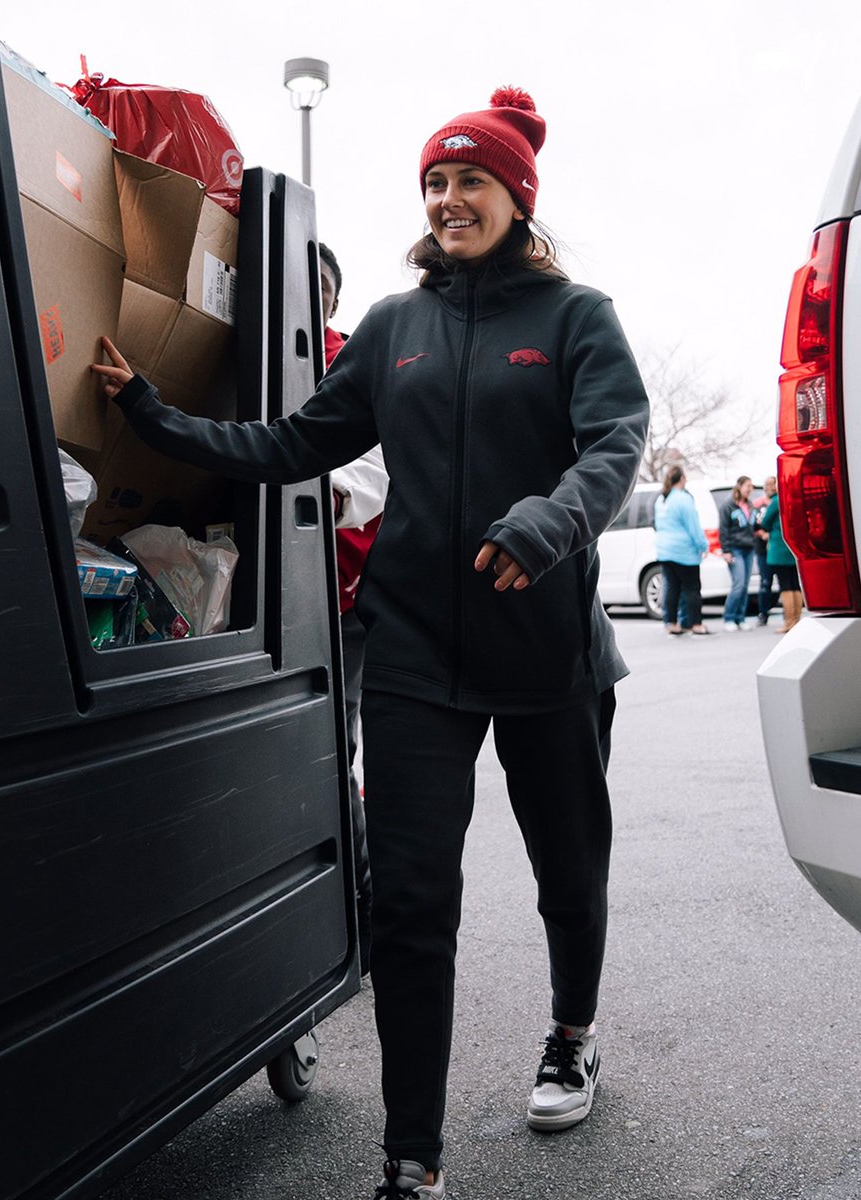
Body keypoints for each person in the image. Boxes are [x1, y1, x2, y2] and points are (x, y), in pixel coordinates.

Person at [92, 86, 650, 1200]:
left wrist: (546, 523)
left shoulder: (576, 317)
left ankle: (571, 1035)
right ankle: (412, 1162)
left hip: (547, 651)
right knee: (408, 903)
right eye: (434, 183)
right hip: (412, 657)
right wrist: (152, 414)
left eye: (470, 180)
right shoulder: (395, 328)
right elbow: (294, 443)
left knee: (568, 871)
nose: (448, 199)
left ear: (516, 197)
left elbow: (613, 444)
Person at [321, 241, 388, 974]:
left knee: (331, 755)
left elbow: (367, 481)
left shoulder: (349, 362)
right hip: (269, 600)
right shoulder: (248, 356)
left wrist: (318, 489)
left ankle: (368, 913)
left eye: (320, 287)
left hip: (343, 599)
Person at [653, 465, 710, 636]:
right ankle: (696, 624)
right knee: (692, 588)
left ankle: (671, 623)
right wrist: (703, 545)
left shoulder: (661, 499)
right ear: (682, 479)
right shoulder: (684, 499)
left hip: (664, 550)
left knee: (672, 588)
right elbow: (693, 526)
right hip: (684, 551)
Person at [759, 488, 804, 633]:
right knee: (795, 584)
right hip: (794, 547)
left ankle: (789, 622)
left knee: (785, 586)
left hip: (780, 547)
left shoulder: (777, 501)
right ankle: (797, 621)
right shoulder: (797, 499)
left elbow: (765, 523)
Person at [719, 475, 758, 631]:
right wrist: (726, 551)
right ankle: (729, 617)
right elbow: (723, 529)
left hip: (749, 548)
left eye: (751, 487)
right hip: (735, 549)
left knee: (745, 585)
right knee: (739, 584)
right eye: (747, 486)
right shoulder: (728, 506)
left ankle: (740, 618)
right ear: (739, 486)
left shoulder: (750, 505)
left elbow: (753, 526)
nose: (750, 489)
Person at [753, 475, 778, 625]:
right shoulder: (758, 504)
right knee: (765, 582)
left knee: (784, 583)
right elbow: (753, 525)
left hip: (776, 547)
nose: (769, 488)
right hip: (763, 549)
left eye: (772, 484)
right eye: (766, 485)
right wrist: (762, 533)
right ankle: (763, 613)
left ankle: (789, 616)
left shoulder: (777, 502)